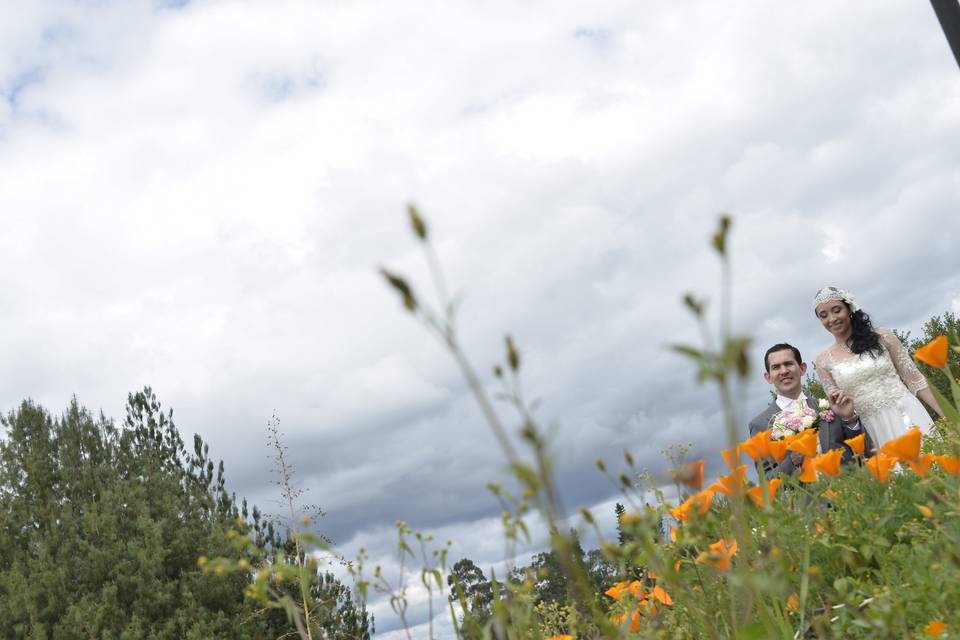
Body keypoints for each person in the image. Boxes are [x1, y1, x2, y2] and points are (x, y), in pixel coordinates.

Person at [813, 286, 944, 450]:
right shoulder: (823, 361)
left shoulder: (883, 337)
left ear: (849, 309)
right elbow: (840, 410)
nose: (831, 319)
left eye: (836, 310)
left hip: (907, 413)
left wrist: (946, 414)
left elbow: (916, 381)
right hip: (873, 430)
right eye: (823, 316)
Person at [748, 343, 867, 477]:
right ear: (768, 377)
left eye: (788, 364)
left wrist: (850, 420)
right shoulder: (760, 425)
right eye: (776, 367)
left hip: (845, 491)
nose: (784, 371)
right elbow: (767, 479)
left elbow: (862, 452)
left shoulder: (829, 406)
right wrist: (792, 461)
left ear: (802, 368)